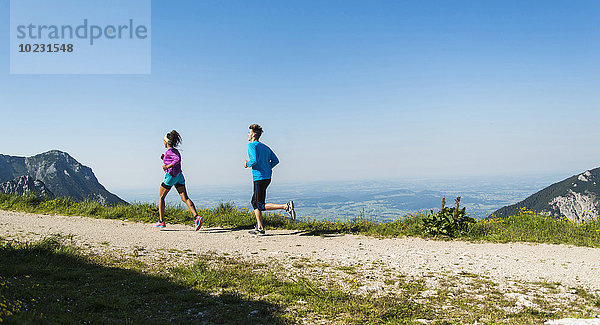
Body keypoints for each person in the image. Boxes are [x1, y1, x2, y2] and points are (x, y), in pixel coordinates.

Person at [244, 124, 295, 235]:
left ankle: (286, 207)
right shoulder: (265, 147)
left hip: (259, 178)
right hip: (266, 177)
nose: (247, 135)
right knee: (254, 202)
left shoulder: (251, 145)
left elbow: (254, 161)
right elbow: (276, 160)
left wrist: (246, 164)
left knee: (260, 205)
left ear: (253, 134)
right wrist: (267, 168)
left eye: (249, 133)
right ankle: (260, 227)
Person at [155, 130, 203, 231]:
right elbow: (173, 159)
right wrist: (164, 159)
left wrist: (167, 166)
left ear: (166, 142)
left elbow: (177, 160)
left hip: (171, 176)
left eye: (163, 141)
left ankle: (161, 221)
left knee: (161, 197)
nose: (163, 142)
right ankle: (196, 217)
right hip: (179, 176)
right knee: (185, 198)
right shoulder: (174, 151)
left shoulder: (170, 151)